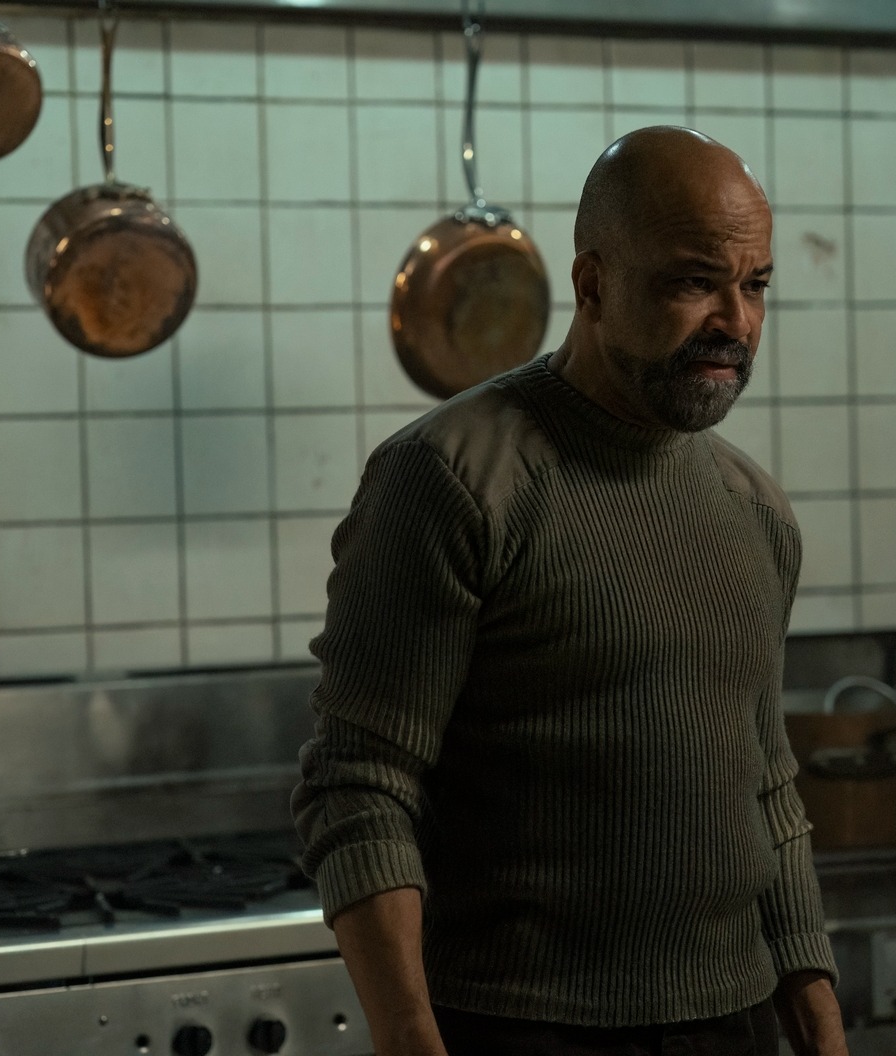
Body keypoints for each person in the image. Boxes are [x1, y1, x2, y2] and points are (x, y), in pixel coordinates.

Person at [292, 126, 849, 1056]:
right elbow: (359, 786)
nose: (737, 322)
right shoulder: (453, 479)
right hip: (518, 1025)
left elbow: (768, 791)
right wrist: (409, 1037)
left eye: (754, 286)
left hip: (732, 1023)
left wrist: (822, 1031)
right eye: (694, 282)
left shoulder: (755, 511)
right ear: (593, 285)